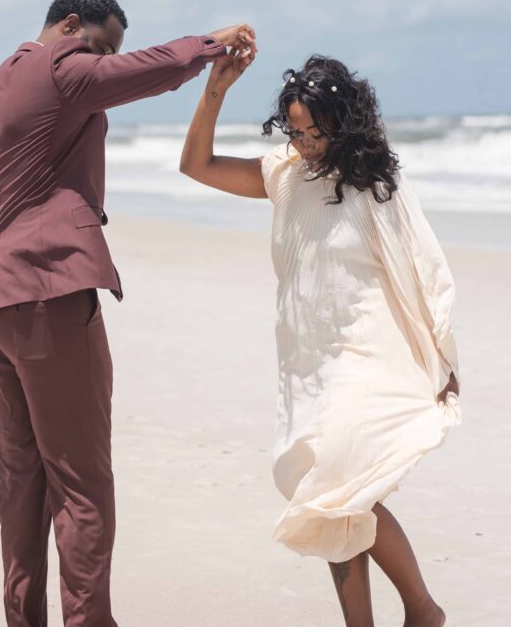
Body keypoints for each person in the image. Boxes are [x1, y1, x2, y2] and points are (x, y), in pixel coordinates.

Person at [0, 0, 257, 627]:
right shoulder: (61, 68)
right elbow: (140, 71)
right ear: (70, 27)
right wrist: (212, 44)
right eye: (100, 47)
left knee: (21, 480)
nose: (101, 64)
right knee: (81, 483)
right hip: (47, 292)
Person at [180, 48, 461, 627]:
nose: (305, 143)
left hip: (367, 354)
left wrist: (442, 354)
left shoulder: (376, 185)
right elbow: (197, 165)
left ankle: (422, 610)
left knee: (336, 490)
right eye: (295, 130)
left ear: (343, 122)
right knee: (329, 496)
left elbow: (424, 269)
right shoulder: (283, 175)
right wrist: (215, 91)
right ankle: (396, 618)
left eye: (315, 131)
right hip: (308, 362)